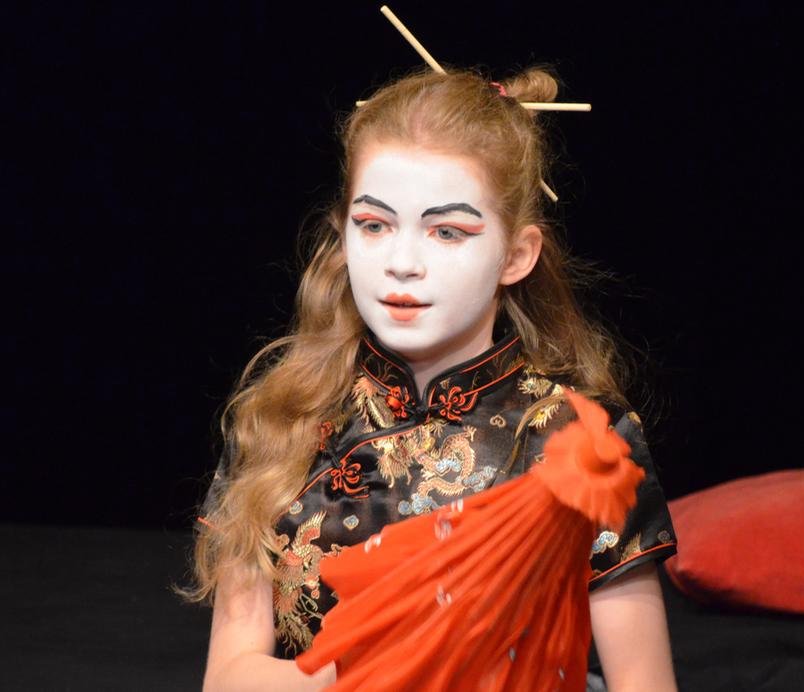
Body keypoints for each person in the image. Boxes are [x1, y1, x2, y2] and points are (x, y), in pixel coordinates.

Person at [180, 66, 678, 692]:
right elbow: (227, 677)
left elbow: (643, 683)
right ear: (343, 233)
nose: (402, 263)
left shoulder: (576, 438)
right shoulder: (282, 419)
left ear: (517, 255)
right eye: (374, 224)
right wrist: (383, 662)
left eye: (447, 232)